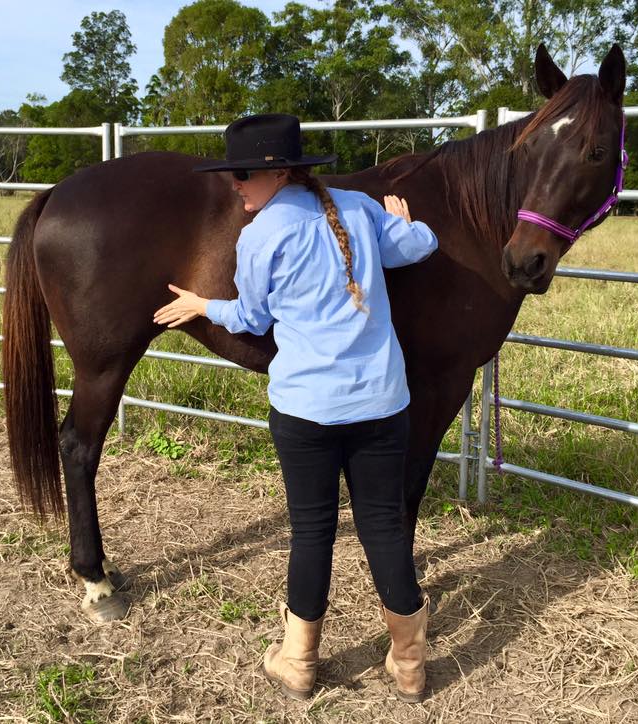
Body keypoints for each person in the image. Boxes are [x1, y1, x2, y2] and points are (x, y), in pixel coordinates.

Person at [153, 113, 438, 702]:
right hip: (381, 403)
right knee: (384, 529)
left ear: (277, 173)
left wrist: (206, 305)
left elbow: (253, 318)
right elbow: (418, 246)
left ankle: (300, 660)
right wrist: (407, 224)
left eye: (241, 174)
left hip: (306, 409)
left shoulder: (260, 235)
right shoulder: (358, 207)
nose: (234, 183)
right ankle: (409, 664)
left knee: (312, 532)